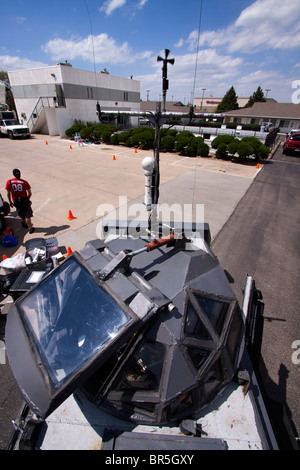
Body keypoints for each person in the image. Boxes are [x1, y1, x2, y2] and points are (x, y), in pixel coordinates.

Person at [5, 169, 35, 233]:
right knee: (28, 215)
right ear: (20, 174)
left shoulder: (9, 182)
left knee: (21, 214)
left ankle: (24, 223)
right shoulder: (24, 182)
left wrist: (10, 202)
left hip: (16, 201)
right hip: (24, 201)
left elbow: (8, 193)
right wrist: (27, 198)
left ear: (13, 174)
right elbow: (29, 193)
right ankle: (30, 229)